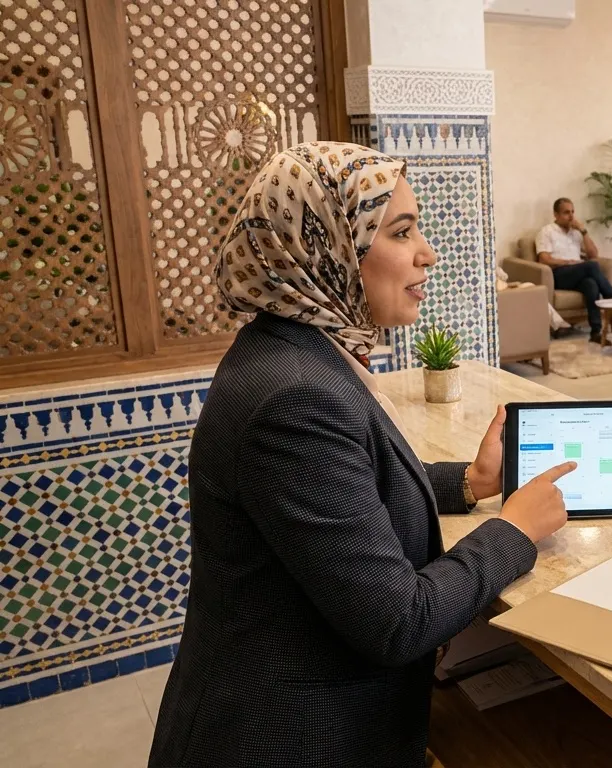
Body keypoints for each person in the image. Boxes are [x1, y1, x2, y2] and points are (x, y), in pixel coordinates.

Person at [149, 142, 574, 767]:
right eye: (401, 232)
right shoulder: (295, 395)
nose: (428, 252)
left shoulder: (291, 350)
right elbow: (397, 621)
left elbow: (349, 492)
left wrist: (472, 483)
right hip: (284, 737)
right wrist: (513, 531)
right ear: (324, 244)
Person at [536, 197, 612, 339]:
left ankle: (595, 332)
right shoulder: (547, 231)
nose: (571, 216)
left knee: (591, 284)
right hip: (558, 274)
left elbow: (593, 254)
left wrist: (584, 231)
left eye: (572, 212)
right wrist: (568, 263)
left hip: (577, 274)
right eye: (566, 212)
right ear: (556, 214)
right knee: (591, 266)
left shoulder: (576, 233)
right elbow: (544, 259)